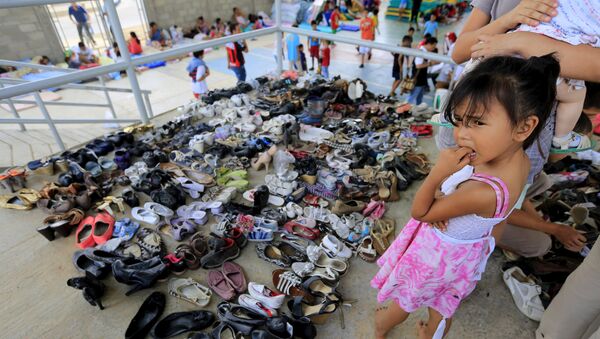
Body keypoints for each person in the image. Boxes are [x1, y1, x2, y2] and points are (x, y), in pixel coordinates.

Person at [372, 53, 559, 339]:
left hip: (436, 256)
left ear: (524, 127)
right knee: (443, 306)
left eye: (477, 123)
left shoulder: (483, 191)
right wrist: (474, 241)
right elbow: (497, 221)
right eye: (459, 121)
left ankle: (382, 325)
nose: (461, 135)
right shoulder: (520, 162)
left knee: (408, 298)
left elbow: (421, 213)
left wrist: (438, 173)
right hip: (465, 257)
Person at [446, 0, 600, 258]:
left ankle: (475, 254)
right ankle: (471, 250)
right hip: (496, 120)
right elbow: (460, 51)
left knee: (508, 191)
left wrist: (524, 42)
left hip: (525, 134)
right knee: (479, 191)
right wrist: (511, 22)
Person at [407, 37, 438, 105]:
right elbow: (418, 65)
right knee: (412, 97)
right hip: (418, 79)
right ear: (429, 44)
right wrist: (430, 64)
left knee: (419, 97)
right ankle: (404, 110)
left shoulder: (425, 52)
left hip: (421, 79)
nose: (433, 49)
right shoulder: (421, 52)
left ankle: (418, 108)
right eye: (433, 47)